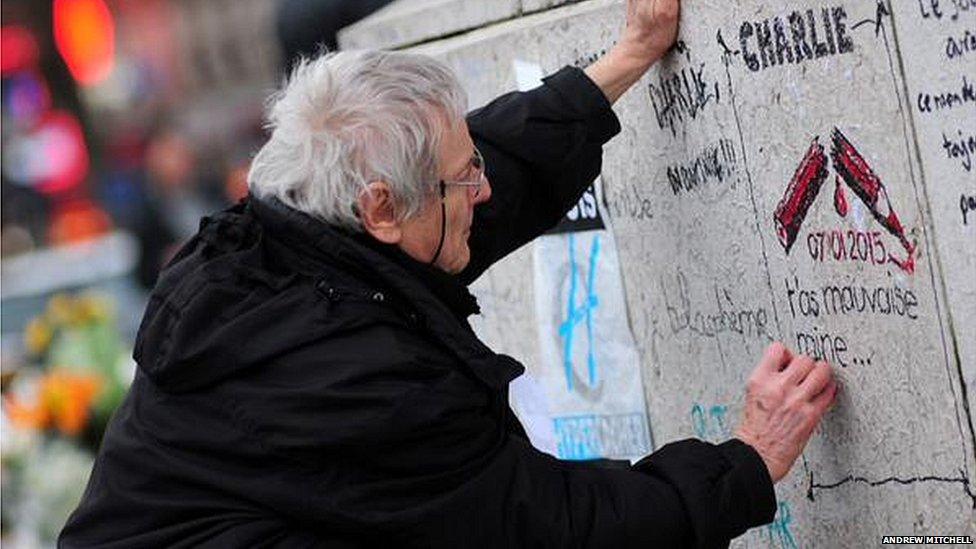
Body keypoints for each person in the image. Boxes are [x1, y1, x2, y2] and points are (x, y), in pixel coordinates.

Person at [60, 0, 838, 546]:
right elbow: (557, 528)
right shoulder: (360, 385)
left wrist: (625, 58)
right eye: (461, 181)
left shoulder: (278, 239)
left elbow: (480, 164)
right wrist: (743, 462)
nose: (484, 191)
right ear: (380, 209)